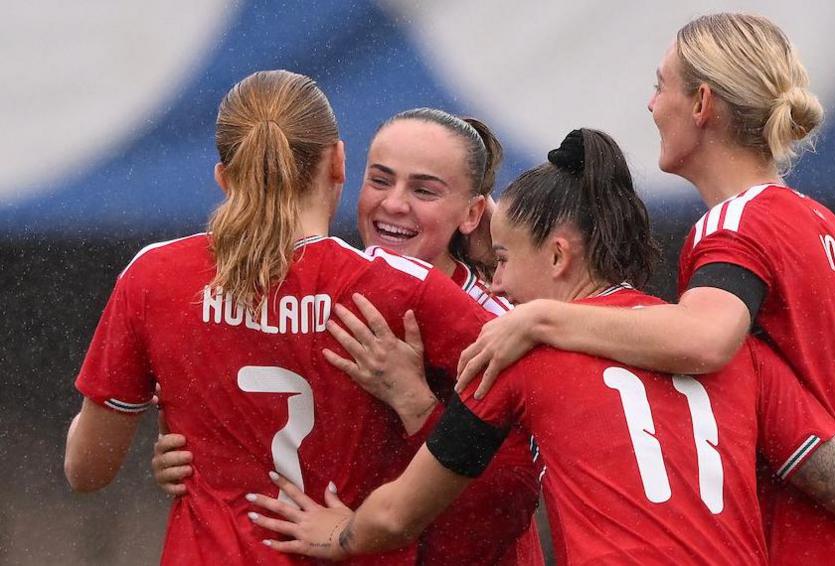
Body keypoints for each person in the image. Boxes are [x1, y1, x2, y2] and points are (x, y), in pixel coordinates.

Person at [242, 129, 835, 565]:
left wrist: (339, 534)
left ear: (560, 255)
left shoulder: (516, 352)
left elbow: (397, 516)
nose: (496, 283)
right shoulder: (737, 353)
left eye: (504, 259)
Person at [452, 13, 835, 565]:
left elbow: (704, 340)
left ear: (702, 103)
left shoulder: (736, 223)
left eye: (661, 86)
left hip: (820, 548)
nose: (651, 105)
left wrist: (537, 319)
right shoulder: (823, 224)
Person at [64, 71, 501, 565]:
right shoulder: (402, 286)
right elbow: (521, 427)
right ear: (338, 162)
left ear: (223, 177)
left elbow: (87, 471)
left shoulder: (155, 277)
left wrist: (161, 403)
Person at [148, 107, 542, 565]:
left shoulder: (495, 327)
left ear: (472, 213)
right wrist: (194, 452)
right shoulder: (332, 290)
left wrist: (415, 403)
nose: (394, 204)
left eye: (423, 190)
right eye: (380, 180)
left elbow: (510, 497)